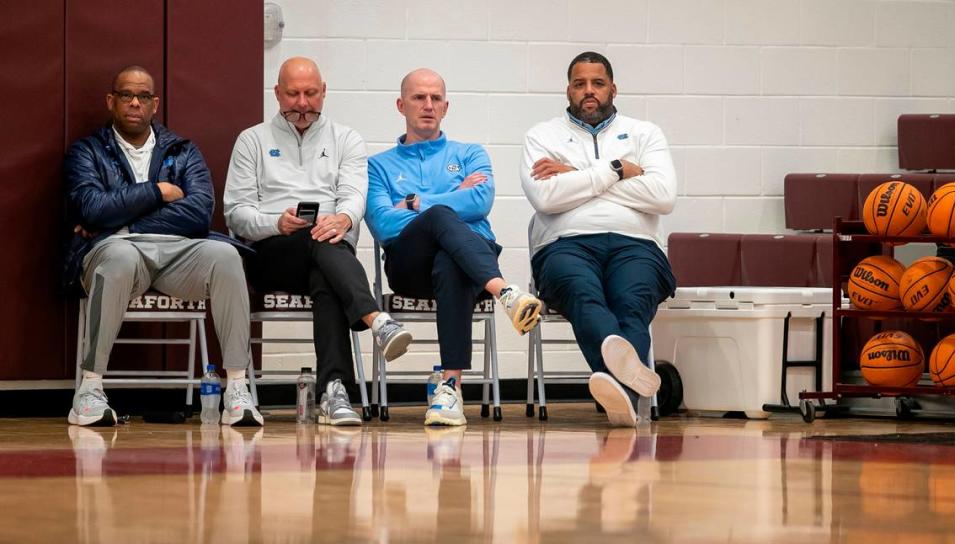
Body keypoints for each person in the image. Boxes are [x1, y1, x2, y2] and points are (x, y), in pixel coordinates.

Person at [64, 65, 262, 427]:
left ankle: (236, 390)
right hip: (115, 251)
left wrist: (124, 222)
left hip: (175, 251)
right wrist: (157, 192)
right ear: (111, 101)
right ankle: (89, 391)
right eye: (126, 95)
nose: (134, 103)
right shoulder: (86, 151)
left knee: (226, 255)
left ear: (155, 104)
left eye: (143, 97)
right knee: (120, 257)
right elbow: (91, 207)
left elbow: (200, 212)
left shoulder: (182, 151)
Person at [224, 57, 412, 427]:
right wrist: (276, 222)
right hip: (270, 254)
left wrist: (343, 218)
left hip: (327, 255)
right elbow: (236, 213)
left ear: (324, 93)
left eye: (311, 93)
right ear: (277, 94)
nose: (302, 103)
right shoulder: (252, 140)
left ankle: (334, 391)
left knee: (326, 271)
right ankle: (375, 320)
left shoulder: (346, 139)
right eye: (293, 94)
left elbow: (353, 197)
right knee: (323, 245)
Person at [365, 68, 543, 427]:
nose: (427, 105)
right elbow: (383, 223)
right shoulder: (378, 166)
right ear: (401, 105)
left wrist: (413, 202)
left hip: (468, 264)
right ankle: (505, 292)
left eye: (435, 99)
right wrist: (441, 202)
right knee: (442, 216)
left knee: (451, 259)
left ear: (446, 107)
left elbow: (480, 202)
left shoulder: (470, 153)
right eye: (419, 98)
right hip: (409, 265)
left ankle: (450, 389)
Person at [520, 52, 678, 427]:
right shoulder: (542, 136)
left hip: (635, 244)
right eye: (580, 84)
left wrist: (579, 174)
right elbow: (545, 197)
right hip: (564, 243)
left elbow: (663, 196)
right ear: (568, 90)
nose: (588, 91)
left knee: (632, 301)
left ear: (612, 88)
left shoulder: (645, 133)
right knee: (582, 291)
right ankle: (631, 388)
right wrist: (619, 170)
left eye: (597, 83)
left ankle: (620, 392)